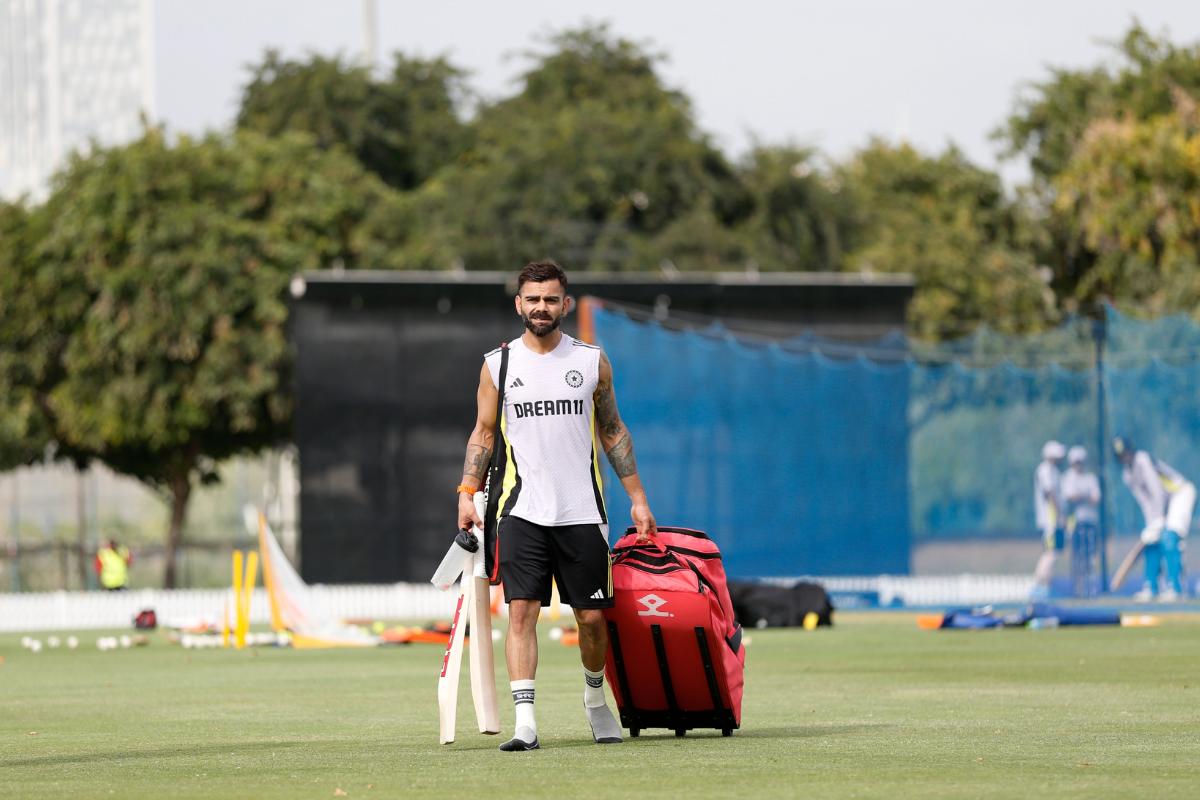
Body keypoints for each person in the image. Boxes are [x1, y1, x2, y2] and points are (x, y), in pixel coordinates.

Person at [457, 259, 657, 752]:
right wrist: (466, 492)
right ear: (518, 304)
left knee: (590, 620)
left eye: (551, 299)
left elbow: (613, 431)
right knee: (520, 613)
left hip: (583, 512)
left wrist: (638, 499)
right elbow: (483, 434)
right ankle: (525, 723)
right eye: (533, 299)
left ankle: (594, 703)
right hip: (520, 510)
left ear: (564, 305)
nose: (541, 307)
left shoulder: (591, 361)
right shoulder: (497, 364)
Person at [1112, 436, 1195, 601]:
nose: (1125, 457)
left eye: (1126, 453)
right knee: (1151, 540)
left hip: (1180, 493)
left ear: (1131, 450)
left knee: (1169, 536)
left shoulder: (1142, 459)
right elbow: (1144, 501)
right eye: (1121, 455)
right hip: (1163, 506)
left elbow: (1157, 490)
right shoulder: (1127, 475)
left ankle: (1175, 587)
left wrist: (1159, 519)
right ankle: (1151, 587)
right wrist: (1152, 524)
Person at [1061, 446, 1101, 597]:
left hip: (1091, 521)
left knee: (1090, 557)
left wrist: (1080, 496)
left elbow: (1096, 498)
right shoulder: (1068, 478)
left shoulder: (1090, 478)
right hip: (1076, 523)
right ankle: (1078, 589)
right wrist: (1086, 496)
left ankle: (1090, 588)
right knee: (1077, 557)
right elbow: (1070, 497)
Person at [1031, 440, 1065, 599]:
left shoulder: (1054, 471)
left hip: (1053, 520)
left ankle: (1045, 585)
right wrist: (1059, 515)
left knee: (1053, 553)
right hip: (1050, 520)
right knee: (1050, 553)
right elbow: (1050, 493)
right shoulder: (1045, 470)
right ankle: (1040, 586)